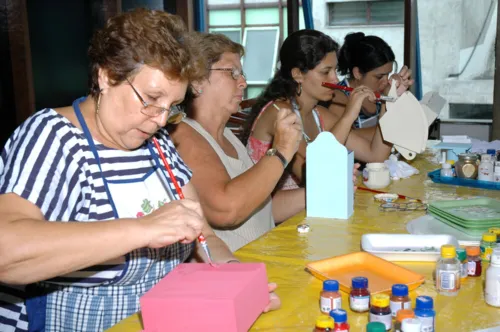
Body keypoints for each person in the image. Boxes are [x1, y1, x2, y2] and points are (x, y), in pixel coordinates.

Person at [0, 9, 278, 332]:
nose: (161, 120)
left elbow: (206, 237)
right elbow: (7, 251)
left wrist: (236, 282)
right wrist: (143, 229)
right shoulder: (54, 138)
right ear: (106, 76)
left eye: (171, 107)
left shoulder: (158, 143)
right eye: (151, 99)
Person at [170, 32, 303, 252]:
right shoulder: (183, 135)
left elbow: (260, 209)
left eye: (241, 73)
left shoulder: (228, 136)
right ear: (196, 80)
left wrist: (326, 190)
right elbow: (226, 211)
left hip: (265, 260)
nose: (243, 82)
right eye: (232, 73)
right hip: (233, 273)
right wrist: (281, 151)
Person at [243, 29, 389, 193]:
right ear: (298, 74)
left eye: (335, 70)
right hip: (274, 214)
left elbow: (375, 156)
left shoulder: (318, 113)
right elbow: (314, 176)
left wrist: (386, 105)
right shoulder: (281, 114)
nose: (334, 79)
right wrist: (349, 115)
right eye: (326, 72)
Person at [329, 32, 414, 130]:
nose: (385, 81)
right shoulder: (339, 100)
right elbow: (352, 140)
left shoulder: (382, 90)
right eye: (379, 77)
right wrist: (387, 106)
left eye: (388, 74)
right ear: (358, 73)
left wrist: (397, 97)